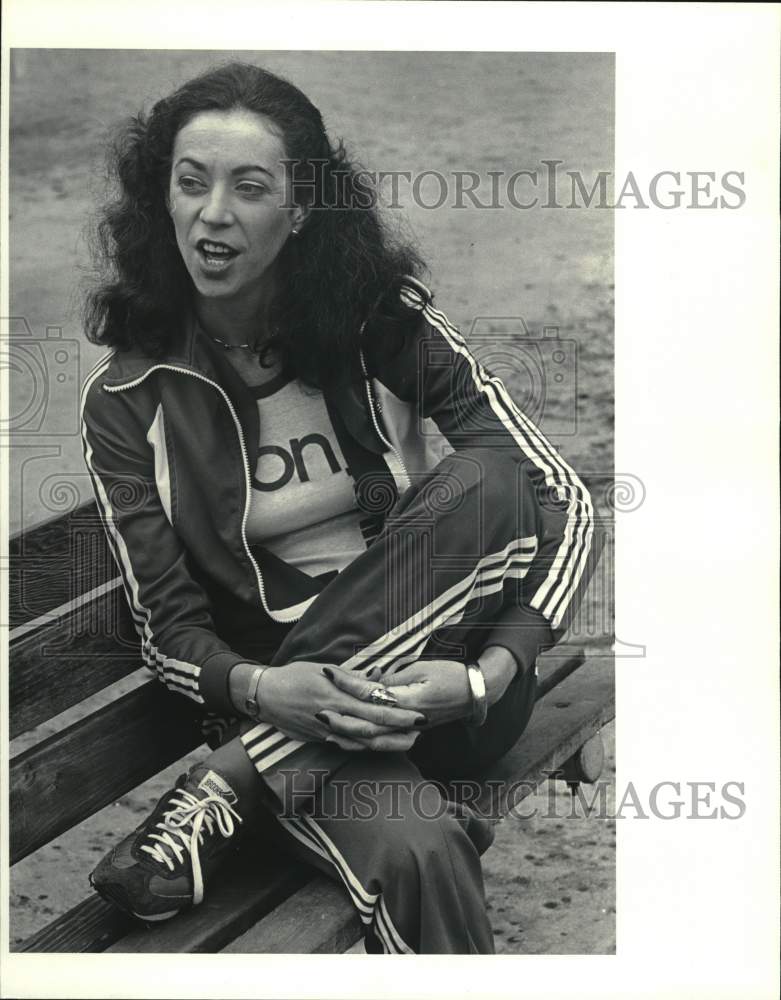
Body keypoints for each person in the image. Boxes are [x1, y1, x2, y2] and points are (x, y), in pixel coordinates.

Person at [79, 61, 593, 954]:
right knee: (423, 852)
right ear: (160, 195)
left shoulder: (382, 325)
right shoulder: (129, 400)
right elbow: (167, 630)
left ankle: (232, 787)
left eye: (249, 187)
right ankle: (260, 768)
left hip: (443, 689)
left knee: (489, 479)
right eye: (191, 182)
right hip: (289, 708)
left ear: (301, 207)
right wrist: (266, 688)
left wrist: (490, 674)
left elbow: (563, 500)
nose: (212, 213)